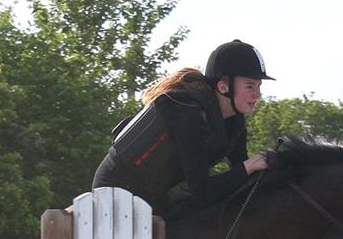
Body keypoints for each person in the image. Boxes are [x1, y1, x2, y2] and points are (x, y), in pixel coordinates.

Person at [92, 39, 275, 216]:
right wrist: (248, 167)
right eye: (250, 85)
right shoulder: (189, 114)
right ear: (223, 86)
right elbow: (202, 192)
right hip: (118, 190)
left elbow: (240, 178)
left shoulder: (234, 122)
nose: (257, 94)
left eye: (259, 86)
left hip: (155, 196)